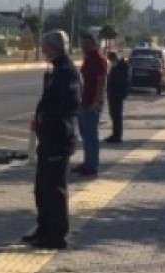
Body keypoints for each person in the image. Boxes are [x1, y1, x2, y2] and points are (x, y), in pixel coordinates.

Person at [23, 31, 82, 250]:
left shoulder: (68, 72)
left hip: (58, 136)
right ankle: (43, 228)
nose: (43, 49)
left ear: (55, 46)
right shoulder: (56, 70)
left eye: (45, 45)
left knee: (55, 189)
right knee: (42, 187)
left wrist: (46, 117)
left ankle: (56, 235)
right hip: (47, 136)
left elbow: (71, 103)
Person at [73, 33, 109, 176]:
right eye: (83, 44)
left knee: (91, 136)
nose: (84, 46)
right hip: (84, 101)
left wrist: (96, 102)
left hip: (93, 103)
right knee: (85, 135)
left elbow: (101, 82)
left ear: (94, 44)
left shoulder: (99, 60)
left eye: (87, 44)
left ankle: (92, 166)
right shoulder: (88, 59)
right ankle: (87, 162)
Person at [104, 50, 130, 143]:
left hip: (117, 94)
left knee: (116, 115)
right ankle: (115, 134)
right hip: (114, 94)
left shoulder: (121, 66)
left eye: (109, 59)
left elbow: (122, 81)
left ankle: (117, 136)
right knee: (114, 115)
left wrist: (120, 93)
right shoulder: (117, 66)